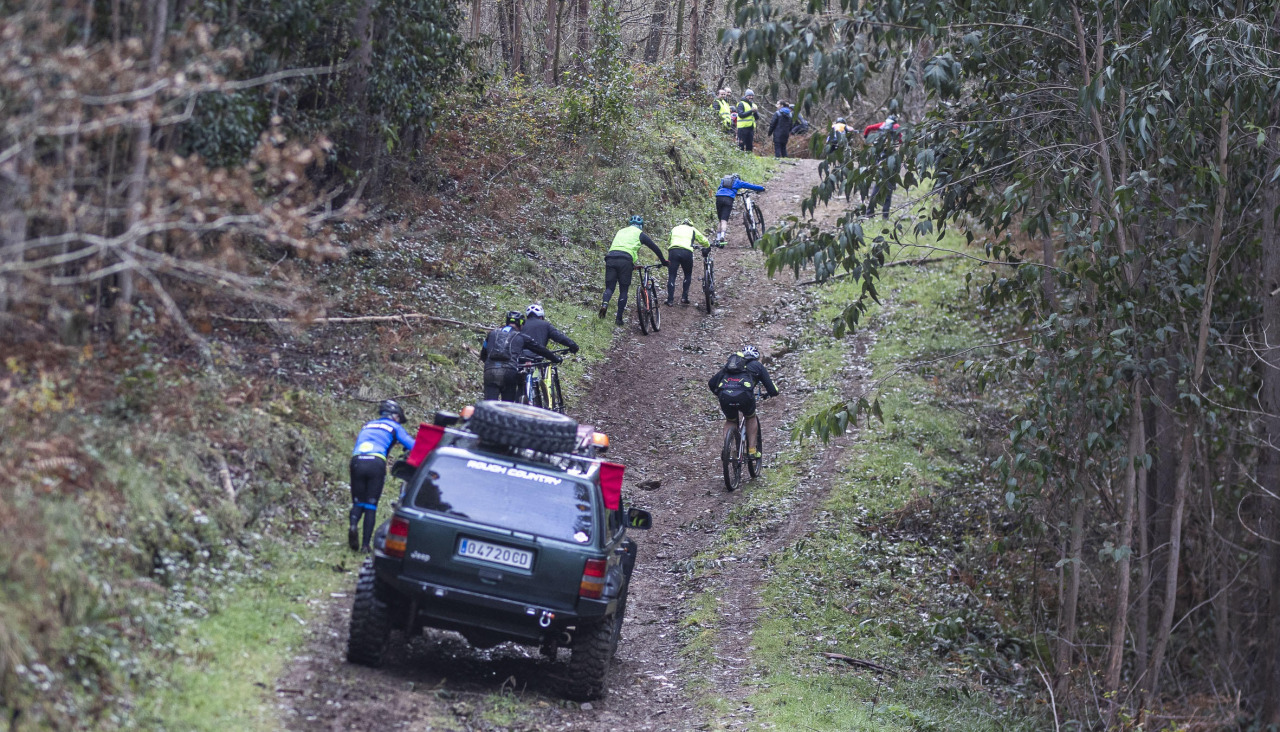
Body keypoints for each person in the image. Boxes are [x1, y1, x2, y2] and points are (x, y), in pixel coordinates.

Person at [349, 400, 416, 553]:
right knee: (371, 505)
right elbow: (413, 446)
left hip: (357, 460)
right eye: (399, 417)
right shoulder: (394, 427)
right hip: (376, 462)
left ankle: (353, 525)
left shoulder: (368, 425)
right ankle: (365, 546)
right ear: (394, 416)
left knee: (358, 502)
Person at [707, 346, 779, 459]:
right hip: (745, 396)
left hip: (725, 396)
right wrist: (771, 393)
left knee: (730, 420)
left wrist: (721, 395)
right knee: (750, 417)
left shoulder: (729, 367)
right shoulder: (757, 366)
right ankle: (751, 451)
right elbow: (773, 390)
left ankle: (727, 450)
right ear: (756, 358)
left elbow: (712, 383)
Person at [598, 215, 668, 327]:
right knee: (623, 290)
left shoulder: (620, 231)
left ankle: (605, 304)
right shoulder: (639, 234)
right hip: (625, 261)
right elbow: (655, 248)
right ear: (641, 226)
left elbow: (620, 246)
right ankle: (619, 319)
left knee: (609, 288)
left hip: (610, 258)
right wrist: (664, 261)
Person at [479, 311, 561, 401]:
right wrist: (555, 358)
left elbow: (483, 354)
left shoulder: (492, 334)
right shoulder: (521, 336)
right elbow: (540, 349)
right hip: (509, 372)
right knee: (507, 405)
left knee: (490, 404)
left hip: (490, 371)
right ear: (521, 323)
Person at [862, 114, 902, 219]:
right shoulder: (897, 127)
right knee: (888, 188)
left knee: (877, 186)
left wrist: (866, 138)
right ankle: (885, 215)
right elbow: (901, 139)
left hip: (879, 158)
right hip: (890, 159)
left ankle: (869, 213)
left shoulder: (882, 125)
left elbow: (868, 128)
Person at [665, 219, 711, 306]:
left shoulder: (675, 228)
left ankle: (670, 300)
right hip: (686, 252)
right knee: (687, 274)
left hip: (673, 251)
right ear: (691, 224)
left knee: (672, 275)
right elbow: (703, 240)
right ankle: (684, 297)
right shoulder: (692, 229)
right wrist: (708, 246)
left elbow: (669, 240)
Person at [714, 173, 766, 239]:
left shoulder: (723, 181)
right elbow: (750, 186)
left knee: (721, 220)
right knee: (724, 220)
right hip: (728, 199)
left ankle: (718, 239)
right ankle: (722, 236)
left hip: (719, 197)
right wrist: (761, 188)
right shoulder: (737, 181)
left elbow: (719, 189)